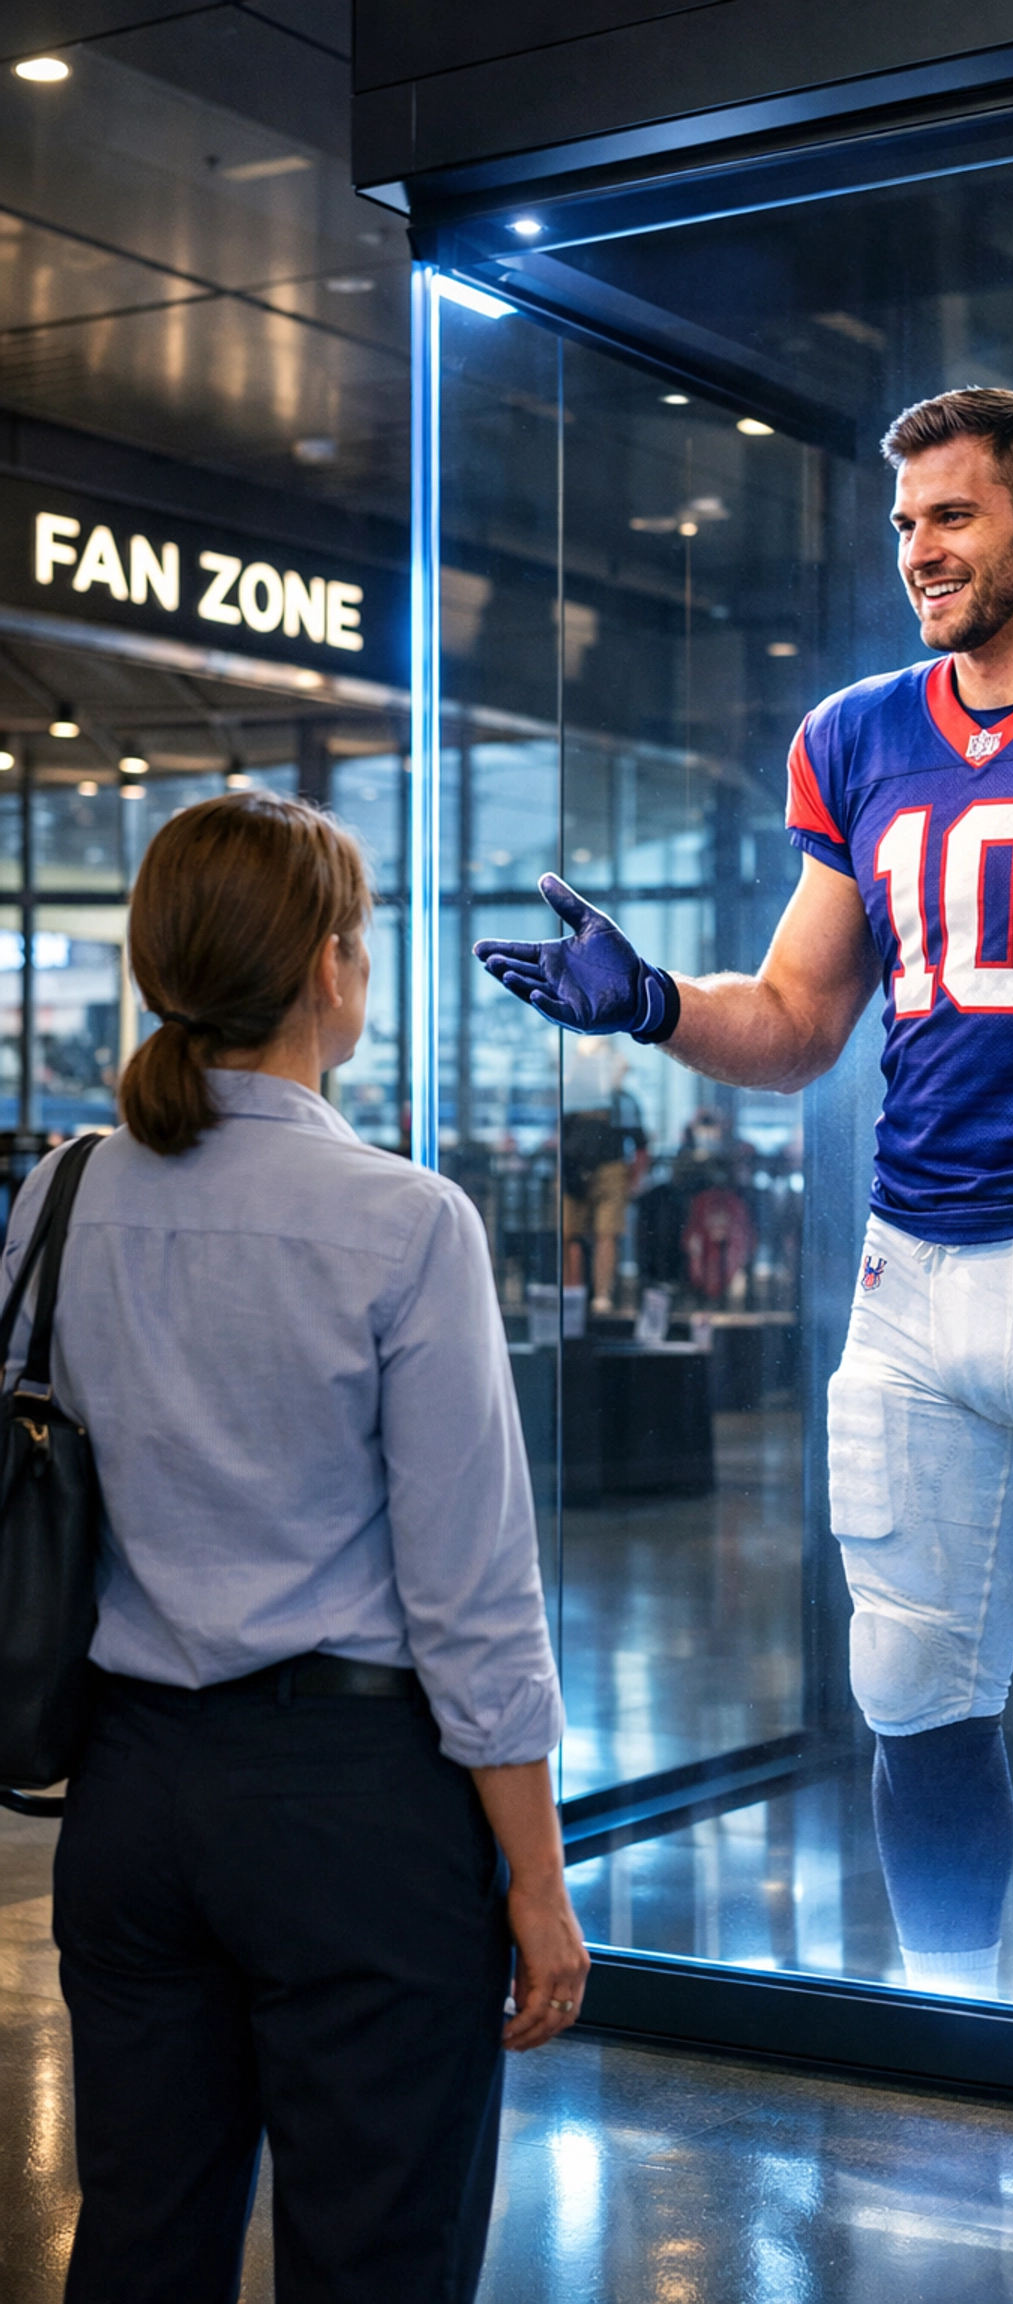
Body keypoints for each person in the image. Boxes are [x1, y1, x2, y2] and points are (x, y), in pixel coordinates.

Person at [475, 387, 1013, 2042]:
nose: (921, 550)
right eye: (903, 523)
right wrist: (655, 1002)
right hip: (910, 1276)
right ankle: (960, 2044)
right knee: (908, 1685)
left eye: (954, 514)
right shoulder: (859, 734)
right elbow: (800, 1018)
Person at [3, 793, 588, 2304]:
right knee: (376, 2257)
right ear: (329, 968)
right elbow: (471, 1597)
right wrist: (537, 1883)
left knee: (142, 2243)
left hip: (130, 1796)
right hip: (356, 1813)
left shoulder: (63, 1194)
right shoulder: (406, 1222)